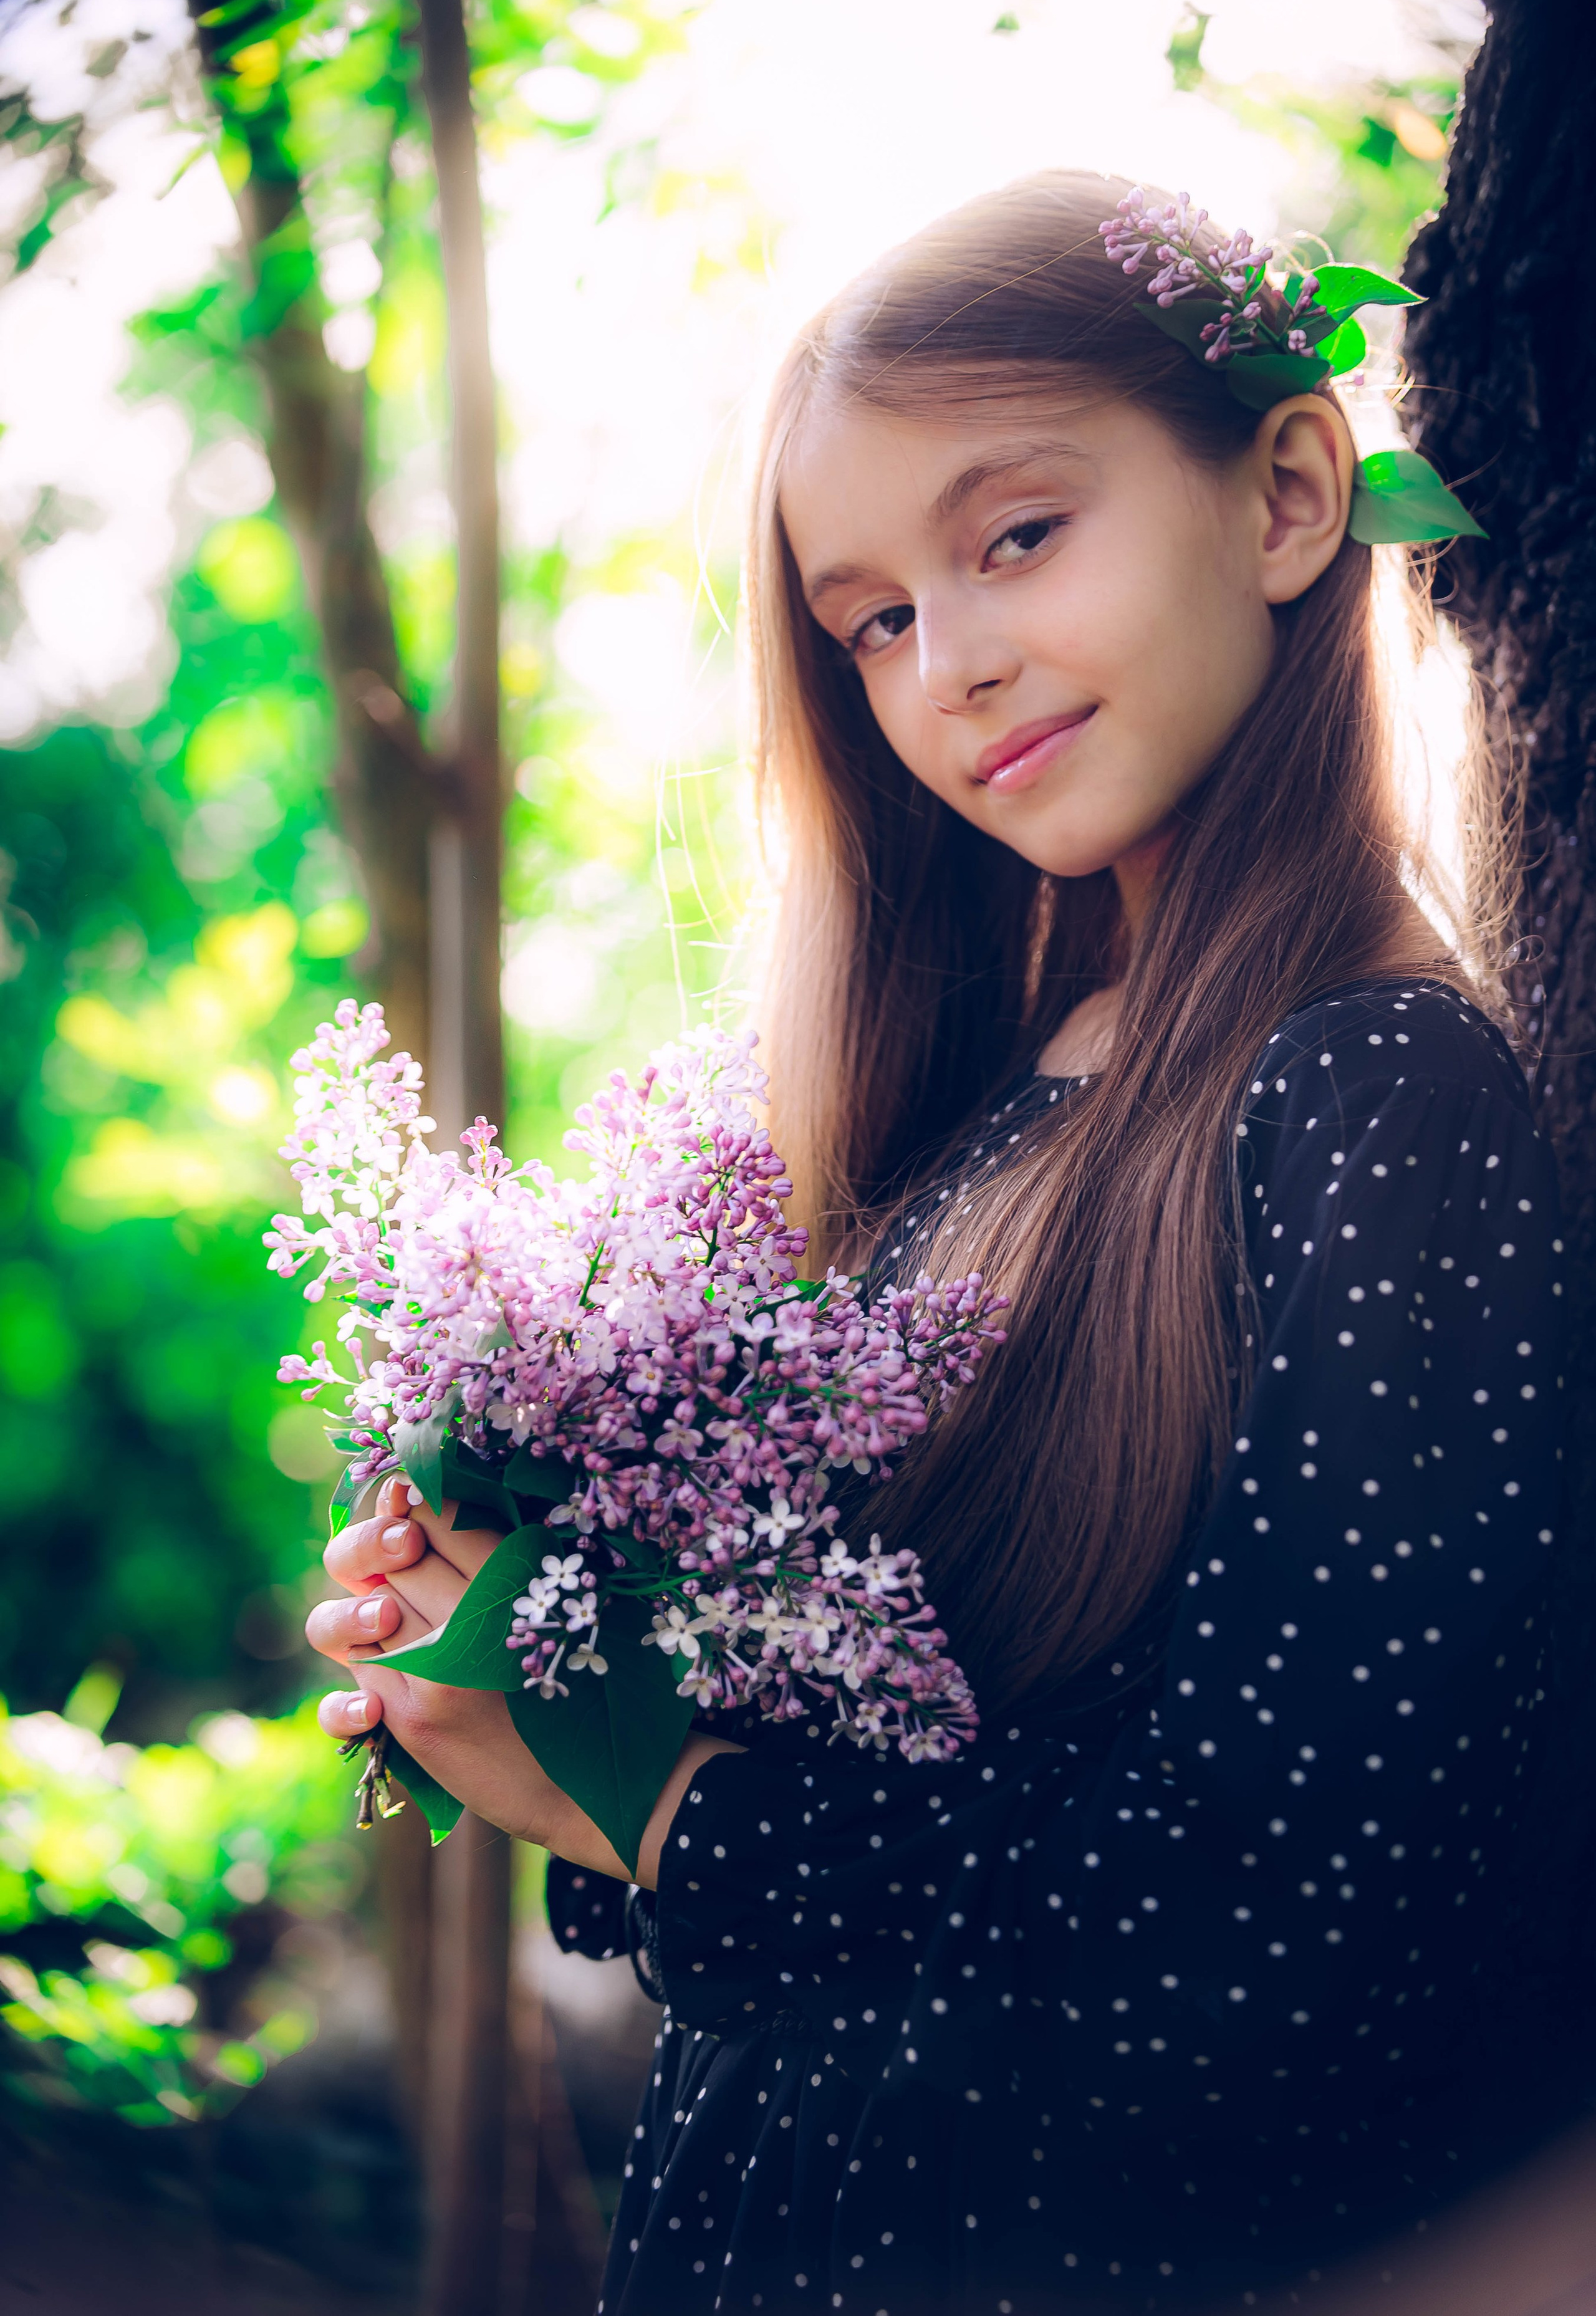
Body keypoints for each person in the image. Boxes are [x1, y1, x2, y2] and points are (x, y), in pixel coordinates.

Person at [307, 171, 1572, 2312]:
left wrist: (661, 1799)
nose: (950, 665)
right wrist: (529, 1629)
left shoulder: (1377, 1100)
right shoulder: (1004, 1085)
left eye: (1015, 536)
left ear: (1284, 496)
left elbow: (1277, 1960)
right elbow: (866, 1809)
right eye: (873, 617)